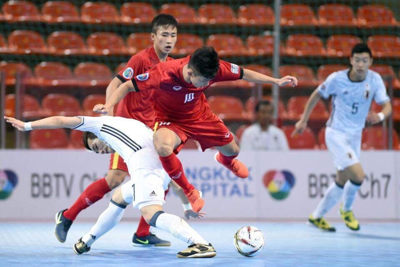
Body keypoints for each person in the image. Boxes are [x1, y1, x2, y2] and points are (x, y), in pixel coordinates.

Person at [53, 14, 198, 247]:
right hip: (127, 130)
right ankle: (67, 216)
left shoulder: (171, 66)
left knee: (162, 178)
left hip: (150, 131)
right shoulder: (140, 59)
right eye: (164, 35)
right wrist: (109, 112)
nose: (169, 40)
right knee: (116, 178)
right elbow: (115, 83)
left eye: (173, 35)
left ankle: (142, 233)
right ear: (153, 37)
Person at [94, 47, 298, 211]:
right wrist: (109, 105)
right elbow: (127, 86)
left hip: (201, 117)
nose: (208, 83)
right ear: (190, 71)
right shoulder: (163, 73)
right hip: (171, 120)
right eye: (204, 80)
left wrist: (276, 81)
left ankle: (224, 160)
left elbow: (244, 73)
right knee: (162, 145)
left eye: (211, 79)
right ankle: (190, 191)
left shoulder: (213, 69)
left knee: (234, 150)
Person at [5, 115, 215, 258]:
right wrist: (187, 207)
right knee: (119, 197)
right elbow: (171, 176)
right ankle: (86, 241)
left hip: (145, 165)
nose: (102, 151)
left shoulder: (96, 124)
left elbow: (61, 120)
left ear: (93, 134)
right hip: (157, 162)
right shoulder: (126, 122)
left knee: (152, 215)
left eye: (97, 146)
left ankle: (199, 243)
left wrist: (27, 126)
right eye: (97, 153)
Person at [292, 43, 392, 232]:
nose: (360, 64)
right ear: (351, 61)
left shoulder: (375, 79)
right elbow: (316, 95)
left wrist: (378, 117)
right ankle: (346, 210)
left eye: (364, 60)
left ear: (370, 61)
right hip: (336, 134)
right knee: (358, 176)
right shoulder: (337, 79)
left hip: (356, 135)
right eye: (357, 60)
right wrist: (303, 120)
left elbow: (387, 106)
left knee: (341, 179)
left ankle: (316, 217)